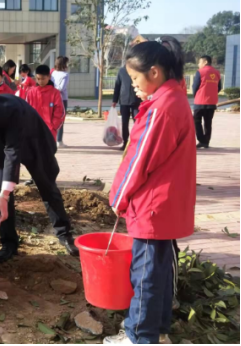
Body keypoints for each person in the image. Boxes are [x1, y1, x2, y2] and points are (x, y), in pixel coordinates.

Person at [104, 38, 195, 345]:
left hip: (153, 206)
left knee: (144, 277)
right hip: (166, 205)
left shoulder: (161, 108)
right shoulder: (174, 99)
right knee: (159, 274)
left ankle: (139, 336)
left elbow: (139, 160)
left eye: (134, 79)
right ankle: (158, 331)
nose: (133, 86)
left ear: (154, 72)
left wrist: (118, 197)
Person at [0, 89, 79, 263]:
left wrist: (6, 192)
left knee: (46, 186)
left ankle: (64, 234)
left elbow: (13, 150)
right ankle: (9, 243)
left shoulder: (10, 110)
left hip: (33, 143)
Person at [26, 65, 65, 141]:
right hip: (33, 130)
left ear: (49, 77)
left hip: (50, 131)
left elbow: (60, 111)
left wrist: (53, 127)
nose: (40, 81)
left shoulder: (55, 93)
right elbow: (25, 110)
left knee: (48, 152)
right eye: (38, 79)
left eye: (43, 78)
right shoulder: (30, 93)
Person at [193, 55, 222, 149]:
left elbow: (195, 86)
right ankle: (206, 141)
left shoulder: (200, 72)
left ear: (205, 62)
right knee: (208, 122)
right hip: (212, 102)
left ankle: (201, 140)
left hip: (200, 101)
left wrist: (196, 95)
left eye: (200, 62)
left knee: (196, 120)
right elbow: (219, 87)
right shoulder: (217, 73)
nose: (198, 64)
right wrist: (212, 93)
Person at [112, 65, 141, 151]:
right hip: (124, 101)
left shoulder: (138, 69)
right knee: (124, 123)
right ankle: (125, 143)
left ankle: (137, 143)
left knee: (137, 122)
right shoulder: (122, 71)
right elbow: (117, 86)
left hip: (136, 100)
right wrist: (115, 100)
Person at [51, 56, 70, 148]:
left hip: (52, 98)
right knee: (61, 119)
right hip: (62, 99)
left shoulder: (53, 73)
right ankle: (59, 140)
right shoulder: (65, 74)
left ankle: (54, 139)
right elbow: (62, 88)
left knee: (53, 118)